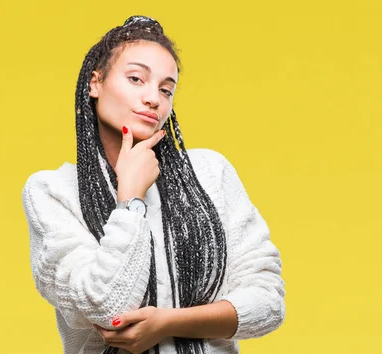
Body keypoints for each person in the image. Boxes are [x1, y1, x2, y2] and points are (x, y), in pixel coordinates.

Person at [21, 15, 285, 354]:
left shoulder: (209, 173)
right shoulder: (53, 192)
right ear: (95, 83)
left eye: (166, 89)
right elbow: (107, 305)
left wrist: (167, 322)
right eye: (135, 78)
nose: (153, 98)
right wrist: (130, 197)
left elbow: (268, 302)